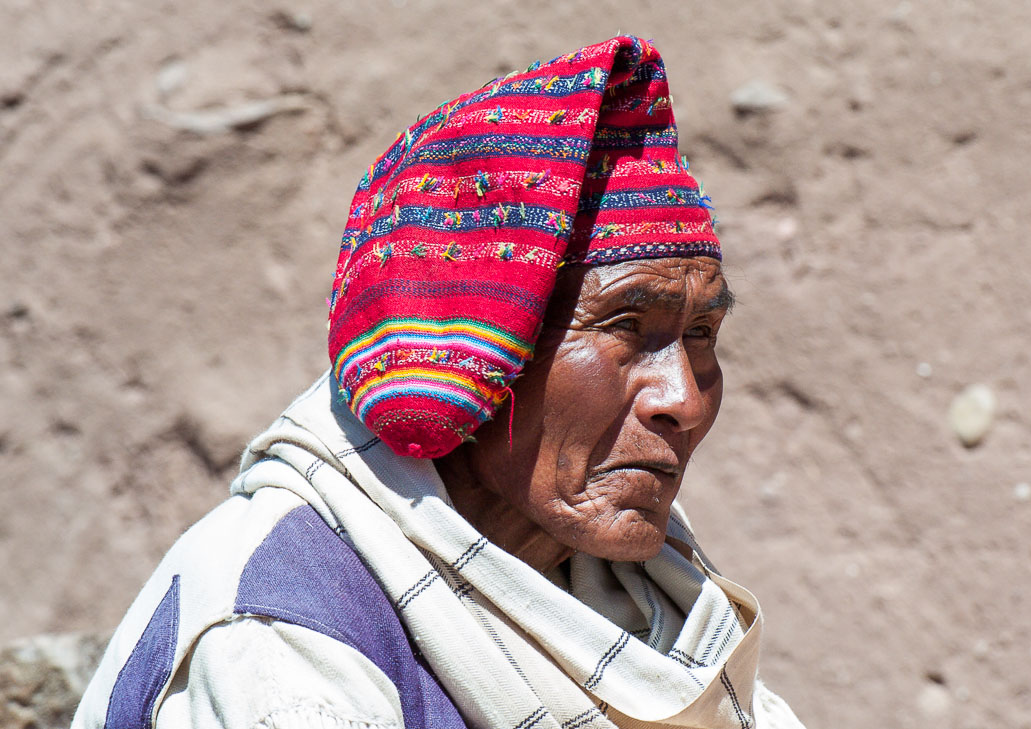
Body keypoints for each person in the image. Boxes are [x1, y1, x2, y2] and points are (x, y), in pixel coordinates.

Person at [73, 36, 806, 729]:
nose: (682, 398)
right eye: (623, 327)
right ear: (469, 357)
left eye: (701, 336)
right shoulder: (282, 630)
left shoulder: (649, 599)